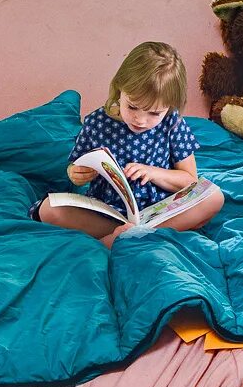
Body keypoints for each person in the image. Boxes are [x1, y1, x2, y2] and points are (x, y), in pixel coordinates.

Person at [38, 41, 223, 246]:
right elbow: (75, 170)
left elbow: (190, 180)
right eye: (133, 107)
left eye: (154, 113)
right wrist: (76, 174)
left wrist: (152, 172)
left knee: (214, 196)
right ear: (120, 90)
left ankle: (126, 237)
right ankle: (131, 235)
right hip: (108, 212)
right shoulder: (97, 122)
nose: (140, 120)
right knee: (49, 208)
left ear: (169, 107)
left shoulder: (173, 122)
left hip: (160, 212)